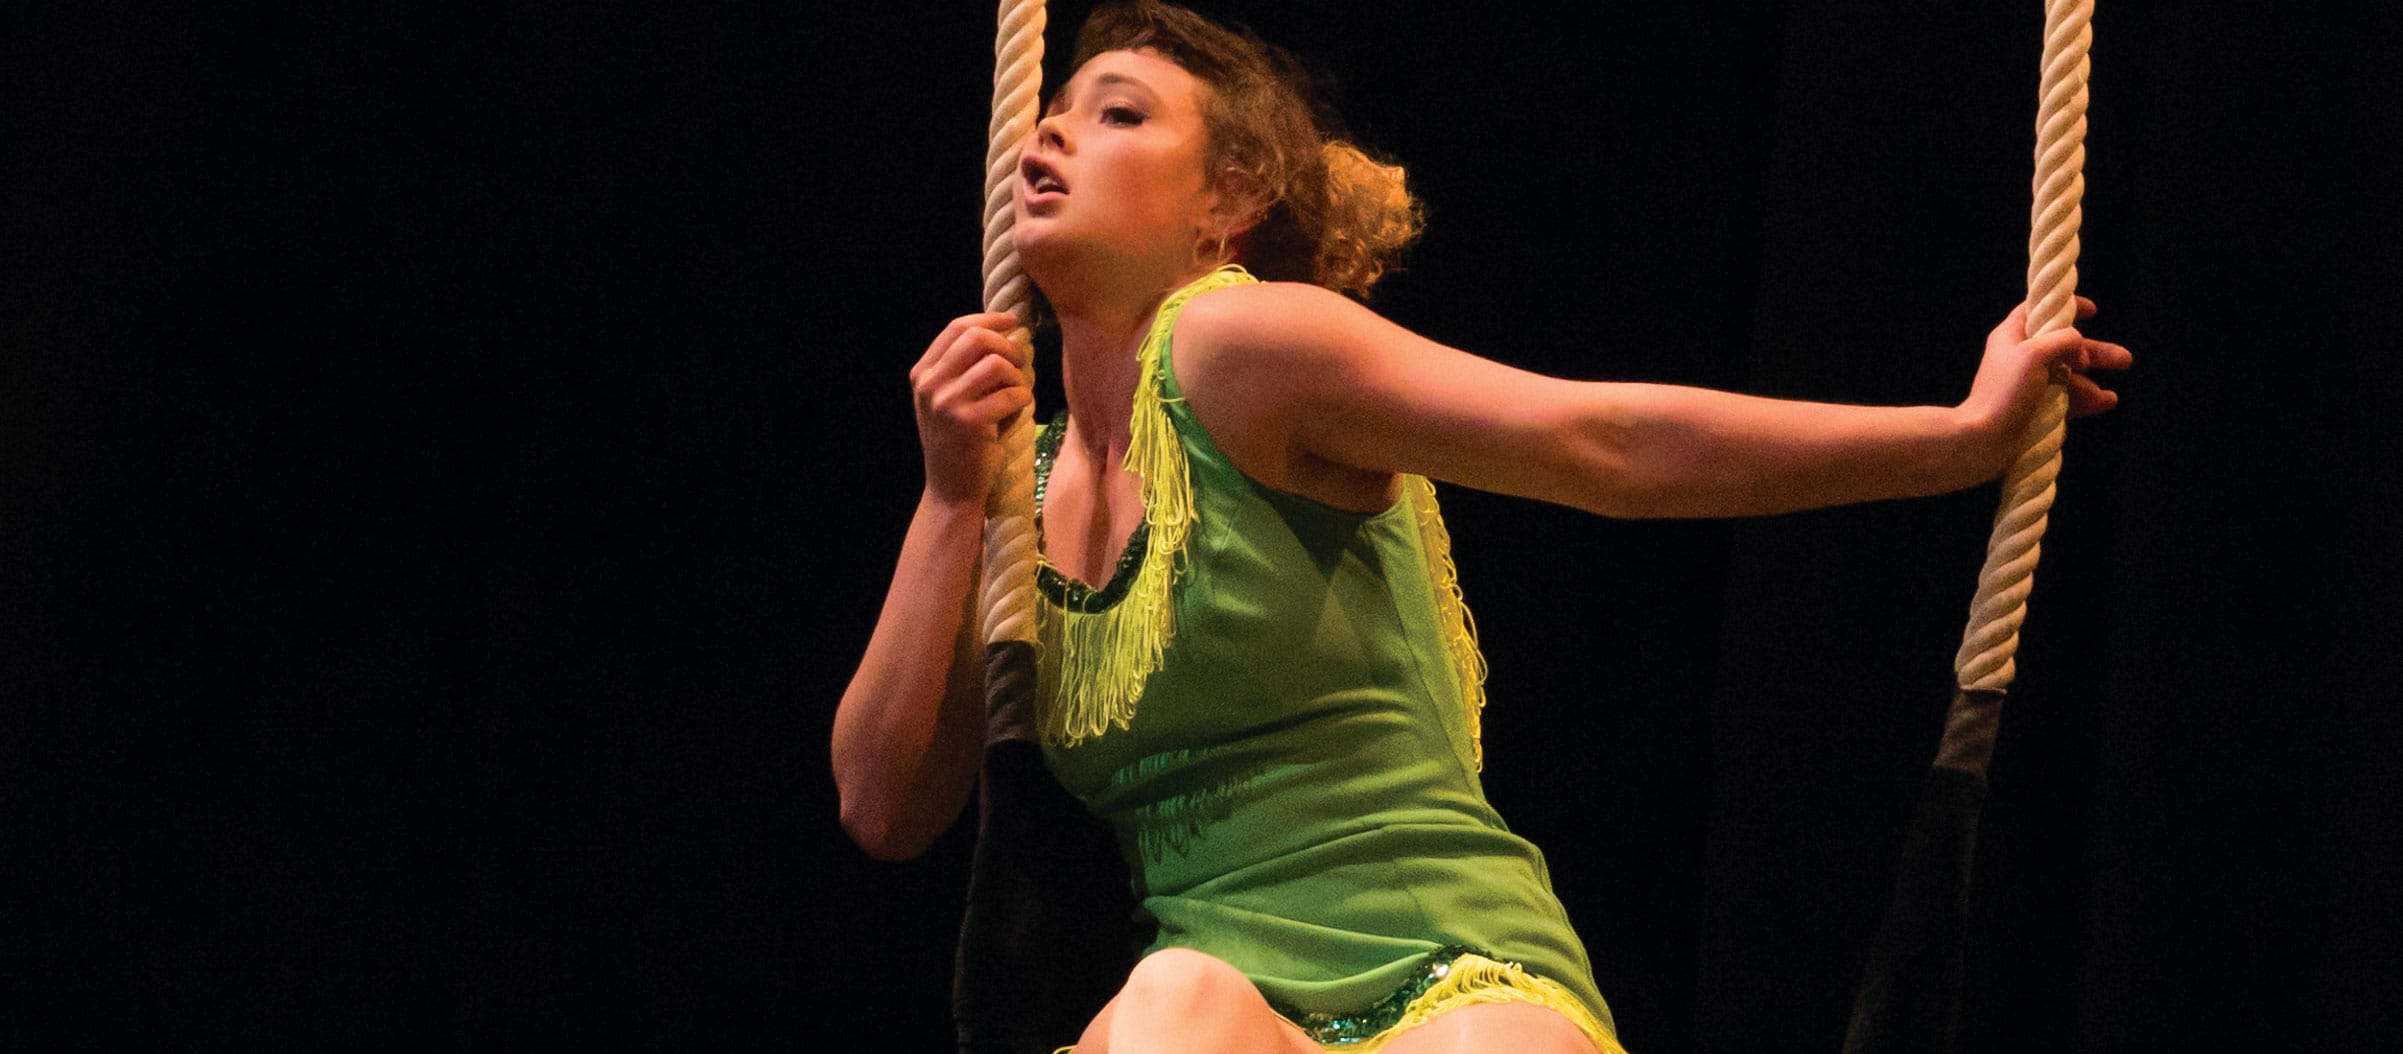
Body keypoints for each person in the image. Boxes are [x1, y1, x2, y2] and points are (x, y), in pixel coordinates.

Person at [832, 3, 2129, 1051]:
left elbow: (1597, 443)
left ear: (1225, 200)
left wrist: (1954, 440)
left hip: (1452, 973)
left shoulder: (1236, 343)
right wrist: (954, 496)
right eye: (1047, 117)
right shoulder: (1019, 482)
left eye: (1115, 115)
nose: (1049, 141)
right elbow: (885, 802)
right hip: (1221, 1014)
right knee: (1177, 1000)